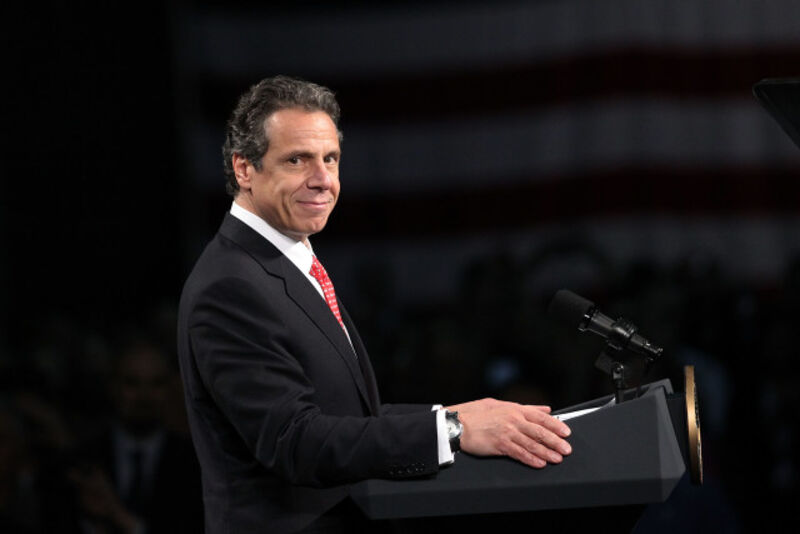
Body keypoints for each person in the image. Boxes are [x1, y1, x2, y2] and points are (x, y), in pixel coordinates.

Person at [177, 75, 573, 533]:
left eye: (330, 159)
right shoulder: (231, 285)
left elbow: (349, 419)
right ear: (245, 169)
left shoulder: (286, 262)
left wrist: (458, 416)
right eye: (297, 160)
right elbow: (294, 441)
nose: (323, 180)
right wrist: (455, 431)